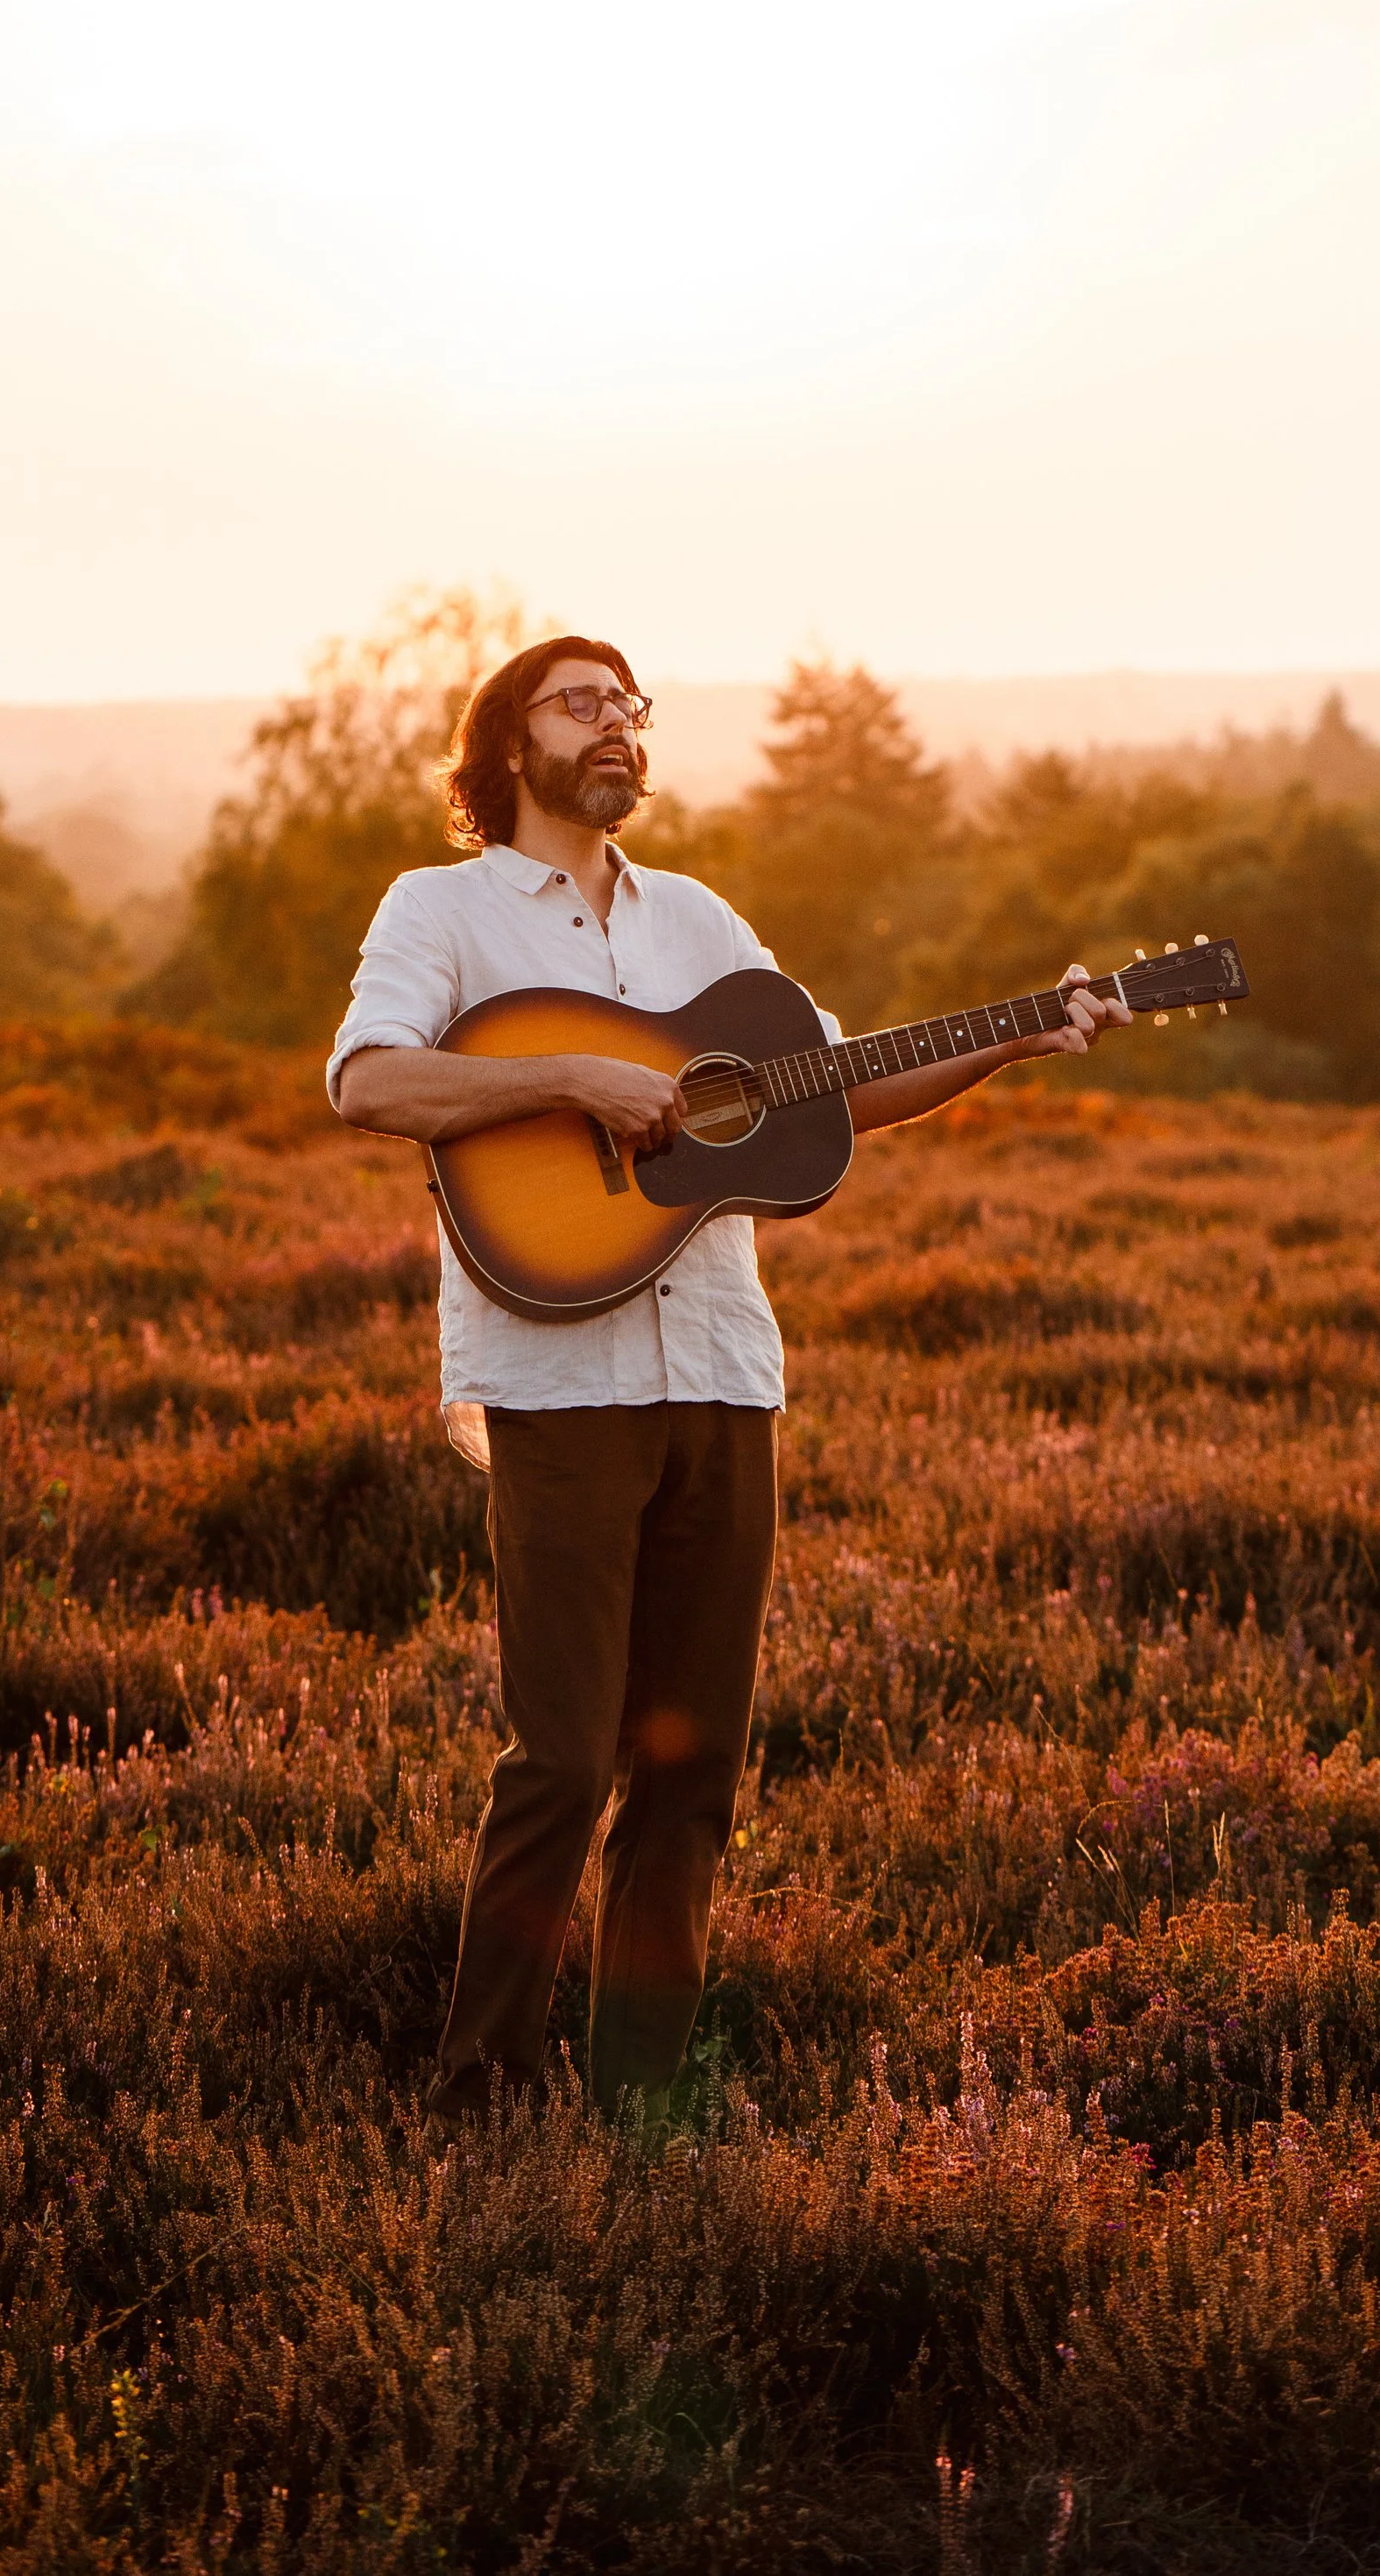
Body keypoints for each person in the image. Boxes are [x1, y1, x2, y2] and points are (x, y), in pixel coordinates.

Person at [328, 635, 1125, 2124]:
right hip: (557, 1378)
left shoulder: (700, 921)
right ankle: (479, 2096)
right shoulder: (442, 909)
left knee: (692, 1773)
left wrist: (1018, 1035)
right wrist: (572, 1077)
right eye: (582, 701)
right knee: (563, 1761)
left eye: (630, 705)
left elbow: (836, 1080)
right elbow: (369, 1079)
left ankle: (643, 2109)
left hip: (720, 1371)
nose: (616, 724)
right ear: (508, 741)